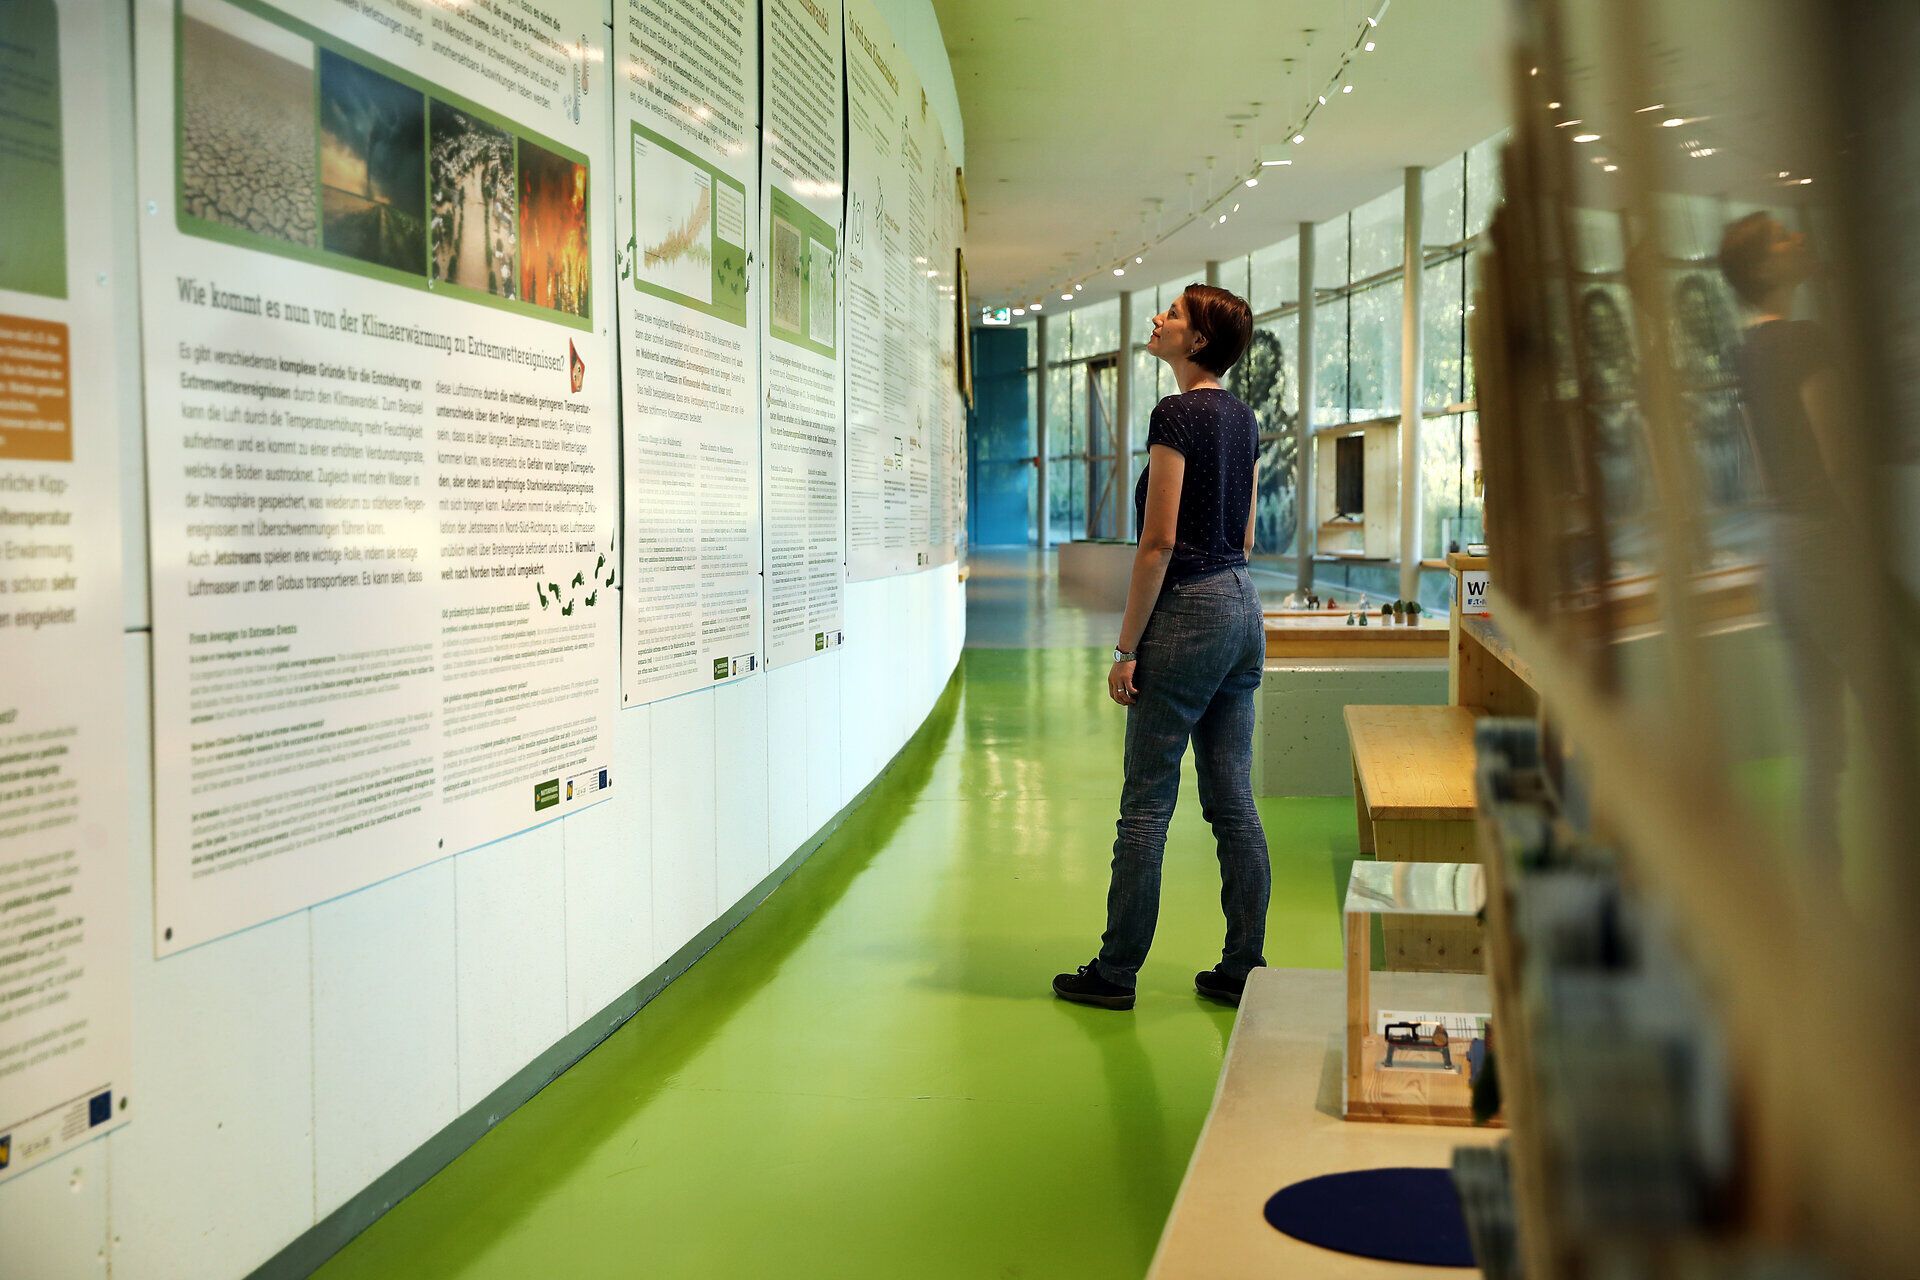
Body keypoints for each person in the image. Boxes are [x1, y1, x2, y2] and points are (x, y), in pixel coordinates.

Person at [1053, 284, 1268, 1011]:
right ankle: (1245, 967)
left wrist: (1125, 647)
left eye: (1173, 314)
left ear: (1198, 342)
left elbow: (1159, 543)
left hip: (1190, 607)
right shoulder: (1244, 420)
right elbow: (1244, 539)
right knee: (1233, 800)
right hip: (1242, 604)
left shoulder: (1177, 414)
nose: (1159, 320)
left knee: (1145, 805)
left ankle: (1116, 973)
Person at [1718, 211, 1852, 882]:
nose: (1799, 237)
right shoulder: (1806, 342)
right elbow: (1838, 460)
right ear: (1767, 268)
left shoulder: (1745, 353)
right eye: (1782, 238)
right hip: (1826, 546)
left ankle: (1823, 890)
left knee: (1821, 739)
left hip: (1782, 551)